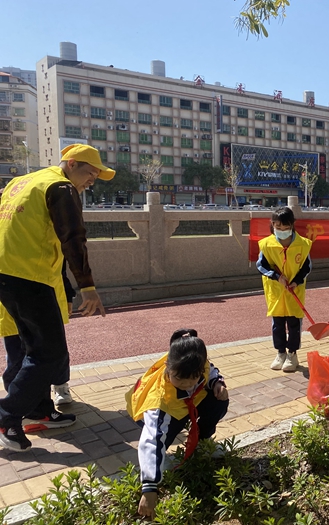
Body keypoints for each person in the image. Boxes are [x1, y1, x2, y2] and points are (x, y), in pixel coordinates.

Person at [0, 144, 109, 452]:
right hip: (30, 277)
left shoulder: (22, 182)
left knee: (29, 347)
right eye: (90, 173)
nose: (92, 181)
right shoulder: (60, 186)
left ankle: (37, 412)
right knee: (49, 354)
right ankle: (7, 415)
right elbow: (73, 237)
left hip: (6, 273)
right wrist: (87, 286)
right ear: (71, 164)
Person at [126, 328, 229, 520]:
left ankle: (204, 440)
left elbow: (211, 369)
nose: (187, 384)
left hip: (184, 405)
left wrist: (217, 383)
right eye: (179, 379)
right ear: (168, 366)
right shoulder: (159, 400)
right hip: (164, 413)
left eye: (193, 379)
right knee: (160, 442)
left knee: (219, 400)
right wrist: (149, 488)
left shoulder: (198, 366)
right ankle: (157, 468)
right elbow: (151, 440)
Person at [1, 261, 76, 408]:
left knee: (55, 350)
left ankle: (59, 387)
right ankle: (15, 402)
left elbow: (60, 265)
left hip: (42, 296)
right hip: (11, 299)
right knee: (16, 355)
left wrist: (68, 294)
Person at [256, 206, 312, 373]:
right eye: (277, 227)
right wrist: (276, 276)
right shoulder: (266, 244)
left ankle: (292, 354)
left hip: (294, 291)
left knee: (294, 324)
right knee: (278, 324)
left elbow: (306, 267)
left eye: (284, 227)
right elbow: (261, 265)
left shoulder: (303, 244)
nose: (280, 230)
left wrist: (296, 281)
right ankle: (280, 353)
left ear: (292, 225)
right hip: (277, 291)